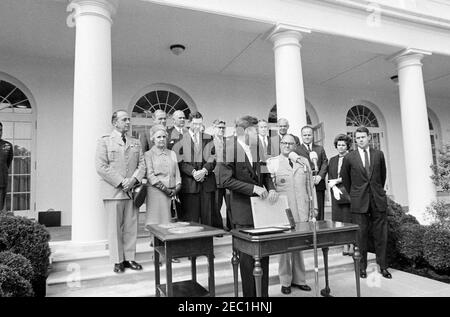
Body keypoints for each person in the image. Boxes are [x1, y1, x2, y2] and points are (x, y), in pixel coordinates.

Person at [220, 115, 278, 297]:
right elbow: (225, 180)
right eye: (256, 130)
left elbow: (266, 174)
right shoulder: (229, 149)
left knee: (264, 258)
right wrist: (253, 188)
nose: (260, 134)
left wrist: (272, 188)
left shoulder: (258, 148)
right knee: (247, 262)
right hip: (243, 213)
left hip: (262, 212)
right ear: (246, 131)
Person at [95, 110, 146, 273]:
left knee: (132, 226)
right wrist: (121, 181)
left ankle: (130, 258)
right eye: (124, 120)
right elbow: (101, 166)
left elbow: (142, 165)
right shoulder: (104, 142)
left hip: (131, 192)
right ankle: (118, 260)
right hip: (113, 191)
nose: (128, 122)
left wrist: (133, 180)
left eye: (129, 120)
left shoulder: (135, 142)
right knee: (114, 228)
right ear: (114, 122)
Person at [266, 134, 315, 295]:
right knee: (284, 248)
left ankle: (300, 279)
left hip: (302, 210)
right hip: (283, 212)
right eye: (284, 143)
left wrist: (313, 208)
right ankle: (285, 280)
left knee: (299, 246)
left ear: (295, 145)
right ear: (280, 144)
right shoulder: (272, 162)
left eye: (290, 143)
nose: (287, 145)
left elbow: (310, 186)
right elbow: (269, 186)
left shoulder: (303, 161)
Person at [341, 126, 392, 279]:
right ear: (355, 140)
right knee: (360, 235)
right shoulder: (350, 157)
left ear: (369, 137)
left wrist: (376, 192)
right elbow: (346, 179)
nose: (360, 140)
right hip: (359, 200)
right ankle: (361, 267)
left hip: (377, 199)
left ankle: (383, 267)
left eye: (363, 137)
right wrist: (355, 194)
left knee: (381, 235)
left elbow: (382, 176)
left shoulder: (379, 154)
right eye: (358, 138)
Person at [179, 111, 222, 228]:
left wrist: (204, 171)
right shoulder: (181, 139)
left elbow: (213, 158)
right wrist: (193, 172)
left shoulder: (209, 138)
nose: (198, 127)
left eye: (200, 124)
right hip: (190, 184)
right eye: (195, 124)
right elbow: (180, 161)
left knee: (207, 217)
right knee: (191, 218)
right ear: (189, 123)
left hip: (207, 183)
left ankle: (207, 241)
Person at [144, 125, 181, 227]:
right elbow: (150, 175)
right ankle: (155, 242)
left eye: (164, 137)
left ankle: (167, 243)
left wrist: (177, 188)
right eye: (158, 137)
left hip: (172, 192)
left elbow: (177, 173)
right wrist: (165, 189)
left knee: (169, 222)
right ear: (152, 139)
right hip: (156, 192)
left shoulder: (172, 153)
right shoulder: (148, 154)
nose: (162, 139)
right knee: (155, 222)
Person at [296, 125, 328, 221]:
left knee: (319, 210)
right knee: (306, 209)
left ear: (312, 135)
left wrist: (320, 176)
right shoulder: (297, 150)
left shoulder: (320, 148)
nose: (307, 137)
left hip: (318, 183)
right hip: (305, 183)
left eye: (309, 135)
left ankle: (320, 230)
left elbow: (325, 163)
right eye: (304, 135)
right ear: (301, 136)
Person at [328, 134, 353, 255]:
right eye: (339, 145)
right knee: (339, 219)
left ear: (347, 146)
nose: (341, 147)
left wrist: (339, 181)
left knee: (348, 218)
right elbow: (331, 175)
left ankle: (352, 244)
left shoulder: (352, 157)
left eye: (343, 145)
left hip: (348, 191)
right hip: (336, 192)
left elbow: (353, 175)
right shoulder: (332, 160)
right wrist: (333, 186)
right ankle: (344, 244)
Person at [213, 119, 232, 230]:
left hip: (228, 177)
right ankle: (218, 227)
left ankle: (232, 226)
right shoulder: (210, 142)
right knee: (216, 204)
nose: (221, 129)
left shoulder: (229, 142)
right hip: (215, 177)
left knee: (230, 203)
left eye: (223, 127)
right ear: (214, 128)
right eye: (219, 127)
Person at [0, 122, 13, 211]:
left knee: (0, 207)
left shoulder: (7, 145)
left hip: (2, 180)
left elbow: (8, 162)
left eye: (0, 130)